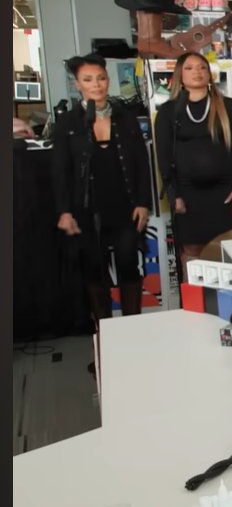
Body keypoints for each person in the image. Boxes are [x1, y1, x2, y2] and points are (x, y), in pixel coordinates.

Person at [52, 54, 152, 361]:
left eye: (100, 78)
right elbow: (60, 171)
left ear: (107, 80)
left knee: (128, 266)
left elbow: (140, 163)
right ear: (76, 84)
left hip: (124, 206)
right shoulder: (68, 122)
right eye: (87, 80)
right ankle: (106, 344)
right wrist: (64, 211)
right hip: (86, 210)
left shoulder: (124, 117)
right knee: (94, 273)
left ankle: (133, 337)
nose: (95, 85)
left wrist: (143, 203)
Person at [154, 52, 232, 264]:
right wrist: (174, 194)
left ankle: (231, 297)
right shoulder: (169, 111)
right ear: (180, 74)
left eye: (202, 67)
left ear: (209, 73)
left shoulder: (228, 107)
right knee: (193, 250)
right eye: (189, 68)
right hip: (188, 194)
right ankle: (196, 297)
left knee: (230, 249)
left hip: (227, 193)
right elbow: (164, 156)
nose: (196, 72)